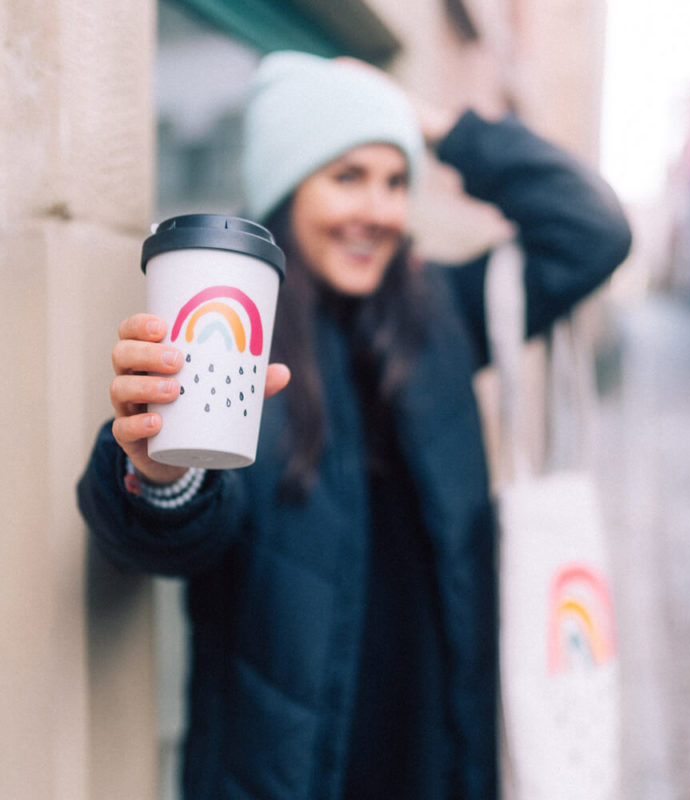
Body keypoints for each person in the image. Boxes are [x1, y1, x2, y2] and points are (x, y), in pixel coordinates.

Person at [78, 51, 631, 800]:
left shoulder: (443, 312)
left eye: (396, 181)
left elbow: (592, 230)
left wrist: (428, 121)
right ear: (286, 190)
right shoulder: (232, 345)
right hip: (285, 773)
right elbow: (157, 540)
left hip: (441, 756)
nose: (377, 210)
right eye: (347, 177)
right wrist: (161, 473)